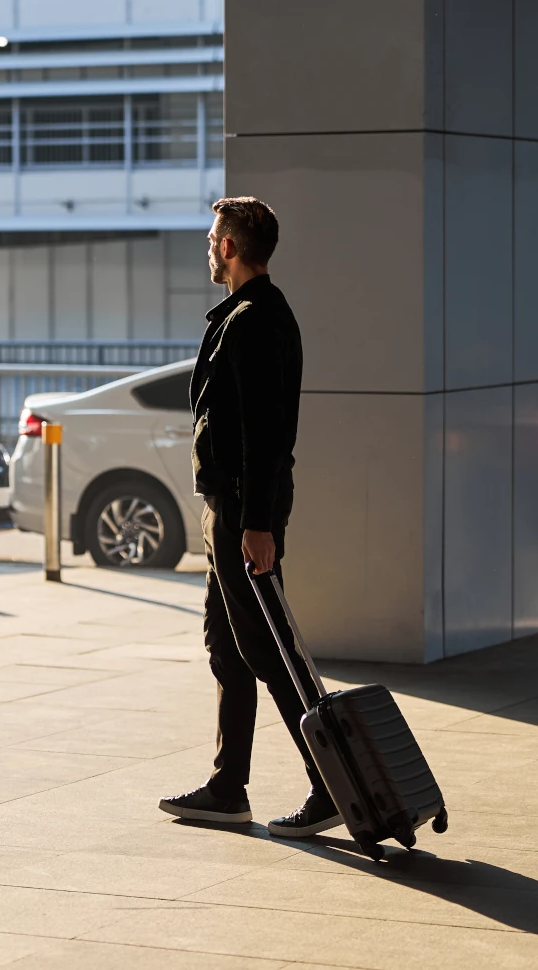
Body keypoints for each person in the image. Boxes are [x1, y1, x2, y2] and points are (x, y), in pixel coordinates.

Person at [159, 197, 341, 838]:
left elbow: (265, 434)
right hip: (230, 510)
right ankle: (227, 786)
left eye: (213, 238)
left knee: (266, 649)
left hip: (243, 513)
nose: (208, 247)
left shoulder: (255, 320)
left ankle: (330, 786)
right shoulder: (247, 313)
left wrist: (257, 523)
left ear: (231, 247)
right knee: (229, 648)